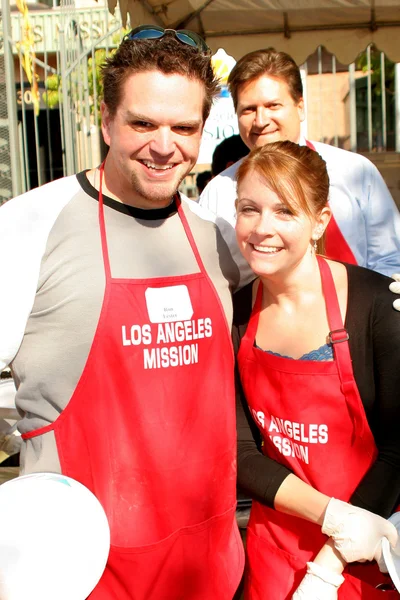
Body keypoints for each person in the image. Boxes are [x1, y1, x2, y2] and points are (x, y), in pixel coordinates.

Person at [0, 27, 245, 599]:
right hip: (79, 571)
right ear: (106, 120)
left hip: (209, 564)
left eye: (184, 128)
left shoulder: (220, 238)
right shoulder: (27, 228)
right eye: (142, 123)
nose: (165, 146)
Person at [233, 140, 400, 599]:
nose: (262, 228)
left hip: (369, 549)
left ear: (319, 222)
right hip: (275, 551)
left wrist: (329, 565)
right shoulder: (234, 314)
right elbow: (241, 452)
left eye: (285, 211)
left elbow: (398, 450)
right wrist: (332, 517)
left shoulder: (379, 306)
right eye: (249, 208)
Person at [199, 47, 400, 287]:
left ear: (300, 107)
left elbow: (390, 258)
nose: (260, 121)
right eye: (249, 109)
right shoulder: (218, 192)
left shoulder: (355, 171)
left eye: (273, 105)